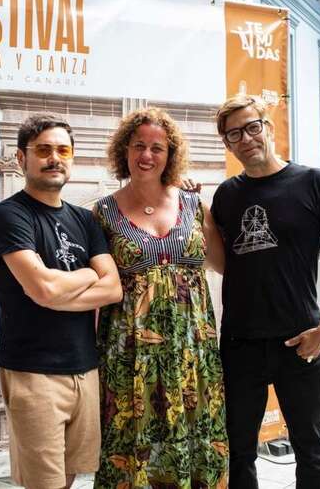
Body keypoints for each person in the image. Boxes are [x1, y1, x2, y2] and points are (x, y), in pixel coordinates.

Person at [210, 95, 320, 488]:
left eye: (252, 127)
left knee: (311, 450)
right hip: (240, 344)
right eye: (233, 134)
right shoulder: (226, 195)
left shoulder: (316, 183)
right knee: (238, 451)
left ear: (268, 126)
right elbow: (227, 263)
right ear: (228, 144)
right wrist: (198, 214)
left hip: (300, 341)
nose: (245, 139)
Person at [0, 113, 123, 489]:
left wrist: (58, 290)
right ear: (20, 158)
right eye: (43, 150)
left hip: (85, 366)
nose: (54, 158)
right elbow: (42, 289)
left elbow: (114, 290)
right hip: (33, 369)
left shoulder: (85, 219)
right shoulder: (9, 216)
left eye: (63, 150)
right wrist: (88, 274)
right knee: (44, 483)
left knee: (70, 474)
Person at [93, 108, 229, 487]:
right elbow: (98, 286)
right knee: (133, 443)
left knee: (197, 436)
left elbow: (223, 264)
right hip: (131, 354)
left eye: (158, 148)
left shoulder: (195, 206)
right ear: (124, 150)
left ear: (171, 156)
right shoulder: (103, 213)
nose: (147, 155)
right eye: (139, 146)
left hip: (193, 351)